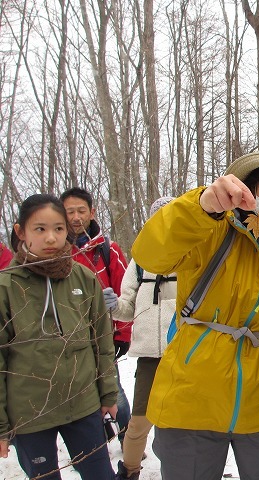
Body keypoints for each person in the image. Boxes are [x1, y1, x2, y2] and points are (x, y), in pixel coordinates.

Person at [131, 133, 259, 480]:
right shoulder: (210, 229)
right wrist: (201, 204)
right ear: (252, 185)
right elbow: (150, 254)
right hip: (189, 399)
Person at [0, 194, 118, 480]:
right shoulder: (7, 286)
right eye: (40, 229)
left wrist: (108, 393)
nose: (51, 238)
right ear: (21, 232)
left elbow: (101, 342)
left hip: (83, 404)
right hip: (31, 413)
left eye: (59, 229)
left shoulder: (84, 278)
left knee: (101, 474)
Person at [106, 196, 177, 480]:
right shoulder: (140, 261)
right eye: (158, 217)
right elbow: (126, 309)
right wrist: (112, 306)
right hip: (149, 354)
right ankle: (129, 471)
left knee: (181, 424)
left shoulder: (194, 255)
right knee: (138, 423)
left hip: (185, 353)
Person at [60, 186, 131, 446]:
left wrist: (122, 334)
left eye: (81, 211)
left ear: (92, 212)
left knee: (114, 391)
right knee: (77, 394)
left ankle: (127, 438)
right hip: (65, 338)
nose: (76, 217)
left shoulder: (107, 250)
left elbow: (125, 295)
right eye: (70, 212)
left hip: (103, 336)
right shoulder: (56, 253)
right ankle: (92, 441)